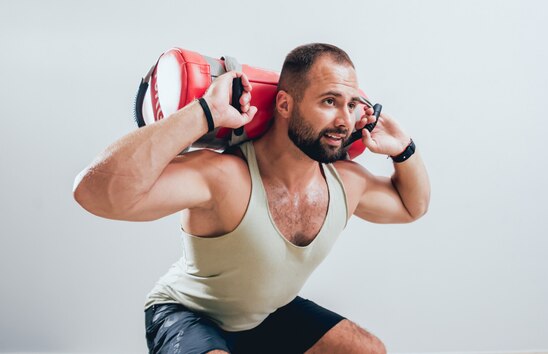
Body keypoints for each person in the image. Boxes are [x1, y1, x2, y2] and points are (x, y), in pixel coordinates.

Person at [73, 43, 430, 354]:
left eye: (352, 104)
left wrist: (404, 151)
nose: (343, 119)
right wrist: (203, 113)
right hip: (187, 312)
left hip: (265, 313)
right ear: (285, 105)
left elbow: (411, 206)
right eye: (329, 101)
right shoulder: (224, 177)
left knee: (367, 350)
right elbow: (94, 193)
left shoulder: (346, 182)